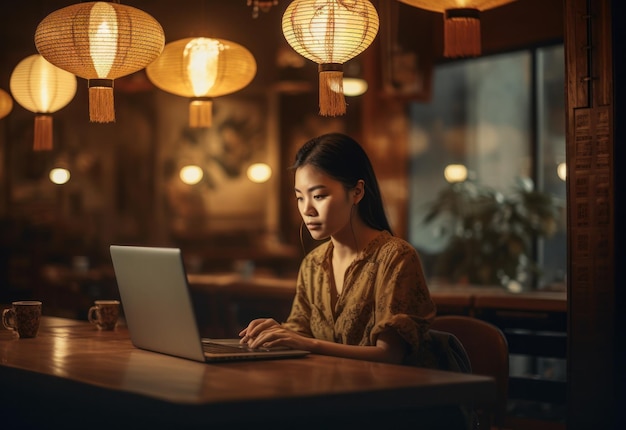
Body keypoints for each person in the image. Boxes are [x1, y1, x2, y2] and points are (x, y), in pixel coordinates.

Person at [239, 132, 438, 366]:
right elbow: (299, 335)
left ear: (357, 192)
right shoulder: (313, 263)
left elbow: (390, 354)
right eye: (300, 198)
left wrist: (310, 345)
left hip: (384, 396)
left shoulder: (395, 257)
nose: (307, 210)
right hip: (326, 390)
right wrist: (276, 332)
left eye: (319, 196)